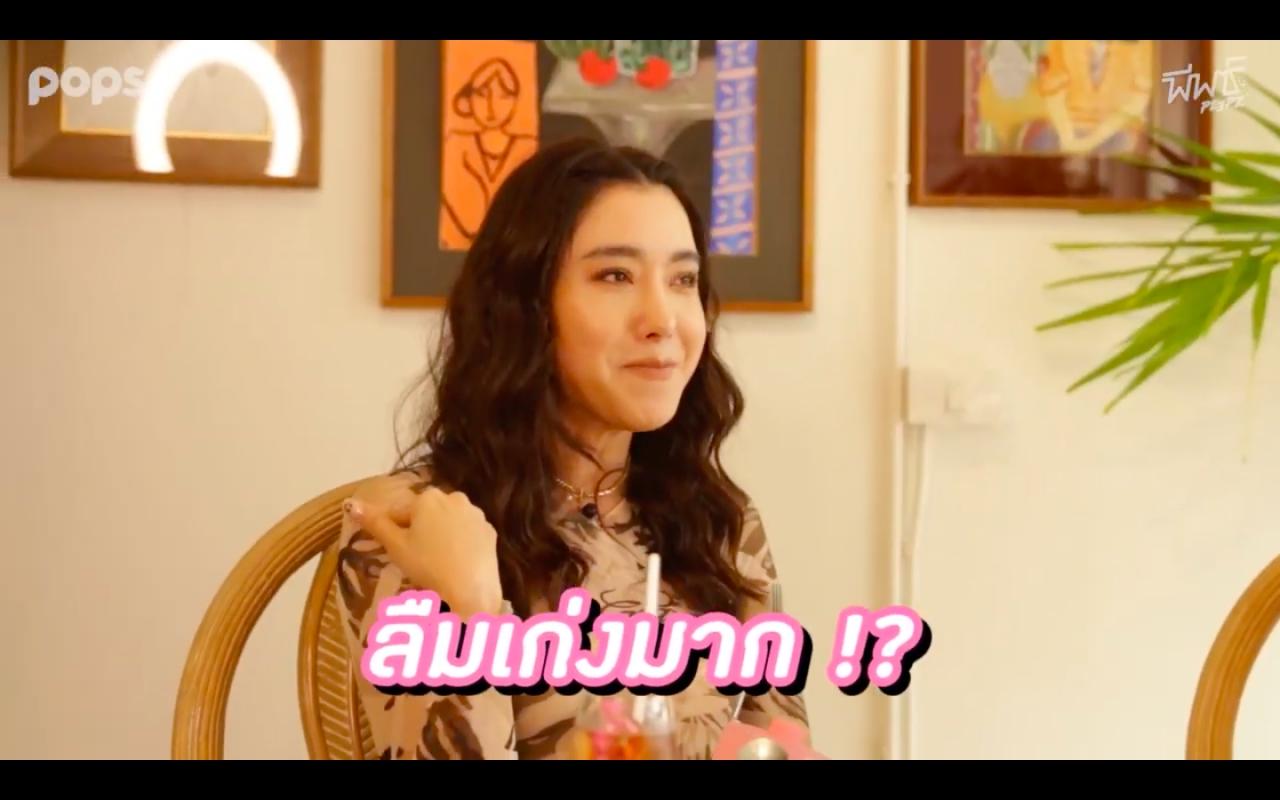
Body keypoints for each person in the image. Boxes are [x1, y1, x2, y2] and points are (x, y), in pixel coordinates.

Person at [338, 137, 809, 760]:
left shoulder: (721, 521)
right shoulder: (419, 523)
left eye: (683, 279)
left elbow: (781, 746)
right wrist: (476, 610)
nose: (663, 319)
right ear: (527, 306)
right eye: (615, 276)